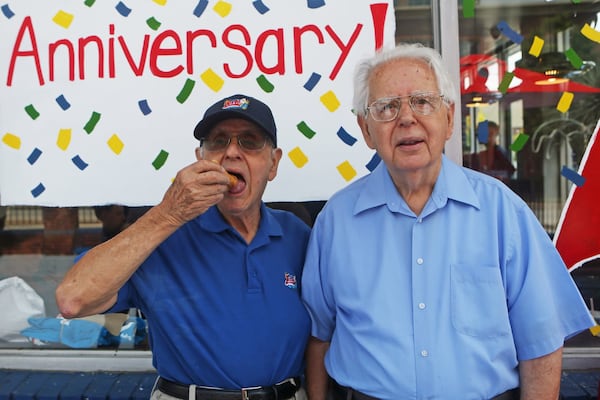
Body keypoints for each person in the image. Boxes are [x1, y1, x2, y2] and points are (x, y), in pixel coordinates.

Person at [300, 43, 595, 400]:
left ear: (450, 118)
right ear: (365, 129)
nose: (406, 117)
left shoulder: (503, 212)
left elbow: (542, 343)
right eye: (387, 107)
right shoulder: (336, 221)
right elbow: (320, 336)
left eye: (422, 101)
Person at [56, 94, 311, 400]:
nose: (231, 152)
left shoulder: (297, 235)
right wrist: (169, 213)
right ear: (200, 158)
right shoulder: (162, 233)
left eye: (250, 141)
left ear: (273, 163)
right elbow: (73, 299)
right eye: (217, 141)